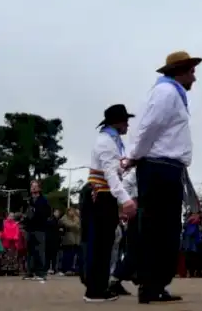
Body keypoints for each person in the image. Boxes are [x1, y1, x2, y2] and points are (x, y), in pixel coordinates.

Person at [125, 50, 201, 304]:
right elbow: (149, 127)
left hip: (166, 167)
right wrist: (134, 155)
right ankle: (150, 284)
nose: (194, 77)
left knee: (166, 228)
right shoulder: (166, 93)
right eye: (191, 72)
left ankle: (156, 283)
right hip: (159, 167)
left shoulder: (171, 94)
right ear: (179, 72)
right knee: (157, 229)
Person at [81, 103, 138, 302]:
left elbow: (115, 169)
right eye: (126, 122)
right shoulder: (106, 142)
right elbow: (110, 174)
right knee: (101, 244)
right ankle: (95, 290)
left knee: (104, 243)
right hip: (102, 195)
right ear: (118, 123)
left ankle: (98, 286)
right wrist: (126, 199)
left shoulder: (109, 140)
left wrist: (126, 164)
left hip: (105, 195)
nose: (128, 126)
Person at [24, 180, 51, 282]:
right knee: (30, 251)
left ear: (39, 188)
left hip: (40, 229)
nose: (33, 188)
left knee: (39, 251)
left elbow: (47, 213)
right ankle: (30, 272)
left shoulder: (43, 200)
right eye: (32, 186)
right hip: (30, 229)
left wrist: (37, 213)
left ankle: (41, 273)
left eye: (35, 186)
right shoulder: (29, 200)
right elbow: (26, 213)